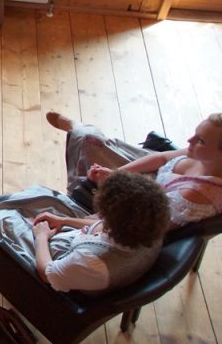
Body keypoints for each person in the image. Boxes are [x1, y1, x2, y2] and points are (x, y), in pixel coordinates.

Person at [48, 111, 222, 229]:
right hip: (146, 174)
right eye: (195, 133)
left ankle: (77, 132)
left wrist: (66, 222)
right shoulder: (198, 154)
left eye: (201, 140)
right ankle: (77, 128)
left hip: (134, 201)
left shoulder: (195, 197)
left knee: (88, 146)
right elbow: (160, 158)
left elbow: (130, 222)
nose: (189, 140)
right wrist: (117, 173)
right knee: (90, 140)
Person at [32, 171, 169, 293]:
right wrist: (64, 221)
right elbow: (103, 225)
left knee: (18, 212)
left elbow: (47, 274)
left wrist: (41, 236)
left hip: (65, 274)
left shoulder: (92, 263)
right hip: (83, 257)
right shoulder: (149, 229)